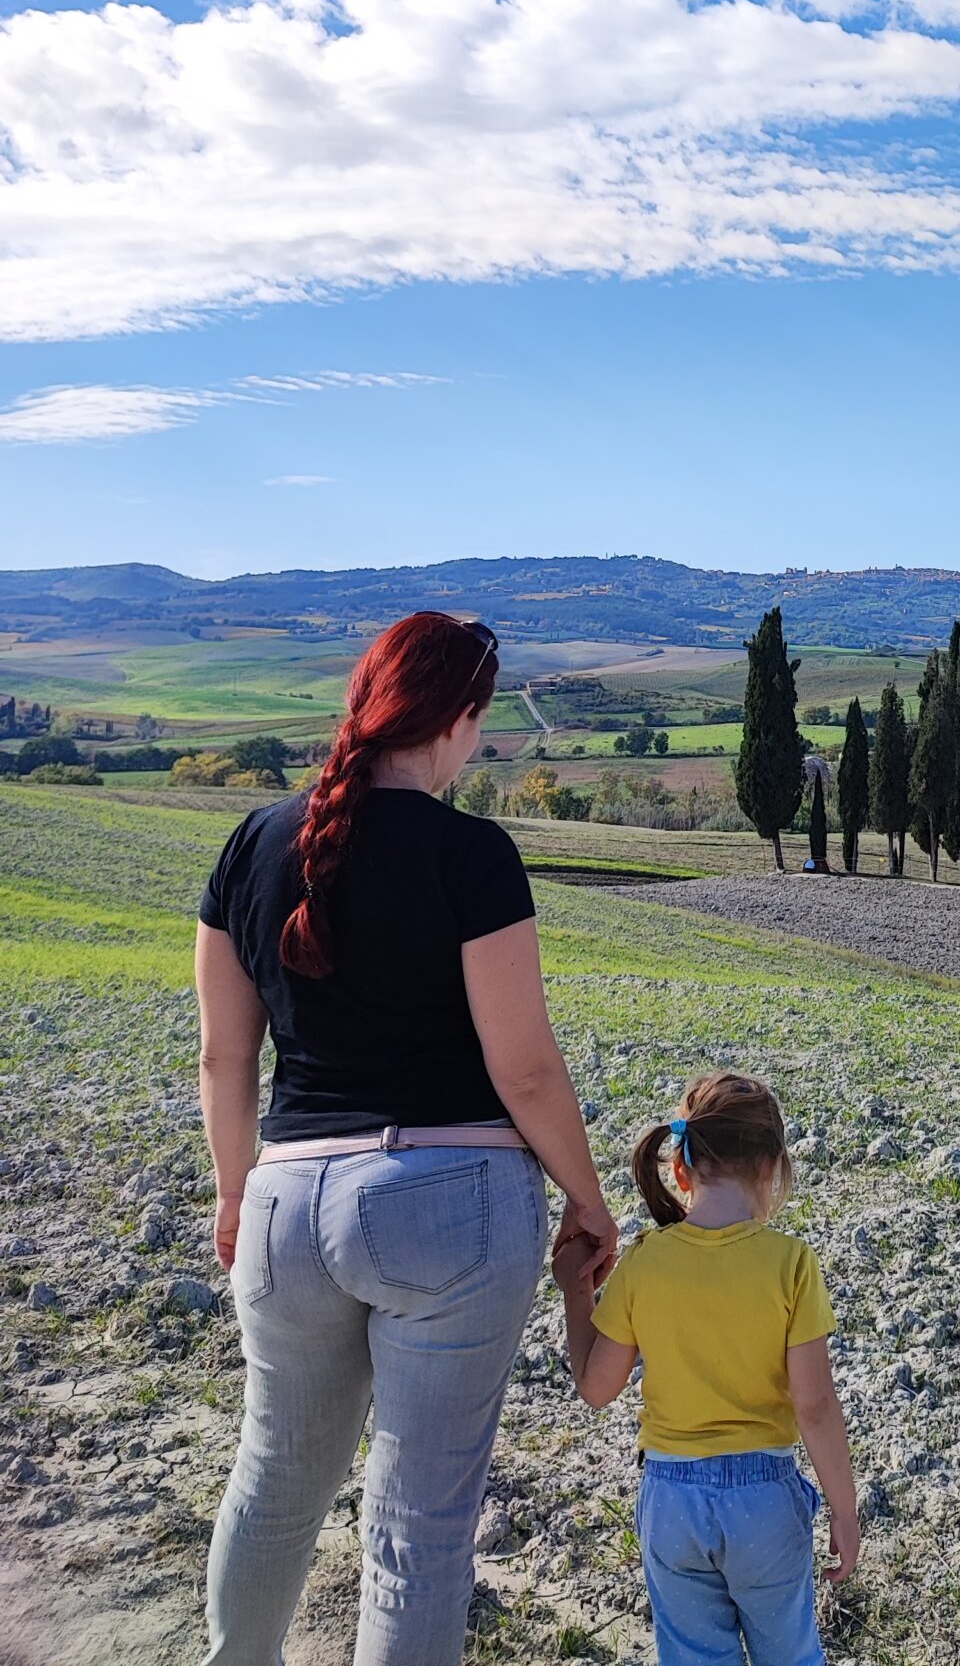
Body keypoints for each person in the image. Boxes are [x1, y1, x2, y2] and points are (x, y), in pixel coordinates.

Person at [194, 610, 619, 1666]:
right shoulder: (472, 853)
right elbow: (524, 1068)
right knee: (417, 1528)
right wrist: (589, 1197)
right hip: (448, 1204)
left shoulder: (250, 844)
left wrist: (234, 1192)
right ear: (458, 718)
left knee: (273, 1476)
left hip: (286, 1202)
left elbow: (222, 1059)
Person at [553, 1072, 858, 1666]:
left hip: (672, 1503)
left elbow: (596, 1387)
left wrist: (575, 1290)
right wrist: (843, 1510)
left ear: (681, 1169)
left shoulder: (645, 1261)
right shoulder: (791, 1264)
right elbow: (815, 1405)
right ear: (772, 1166)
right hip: (765, 1504)